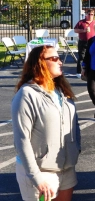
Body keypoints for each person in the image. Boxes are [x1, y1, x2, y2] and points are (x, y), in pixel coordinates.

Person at [12, 46, 80, 201]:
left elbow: (74, 125)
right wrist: (37, 178)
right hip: (40, 173)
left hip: (66, 170)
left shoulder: (61, 90)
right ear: (40, 63)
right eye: (54, 58)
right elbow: (22, 140)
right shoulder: (27, 94)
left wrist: (76, 148)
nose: (60, 62)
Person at [73, 9, 95, 75]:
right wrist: (83, 30)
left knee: (92, 56)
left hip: (92, 42)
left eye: (92, 14)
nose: (90, 16)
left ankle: (90, 70)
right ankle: (79, 72)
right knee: (81, 57)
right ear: (86, 14)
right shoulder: (81, 22)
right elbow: (75, 30)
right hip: (83, 42)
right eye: (89, 14)